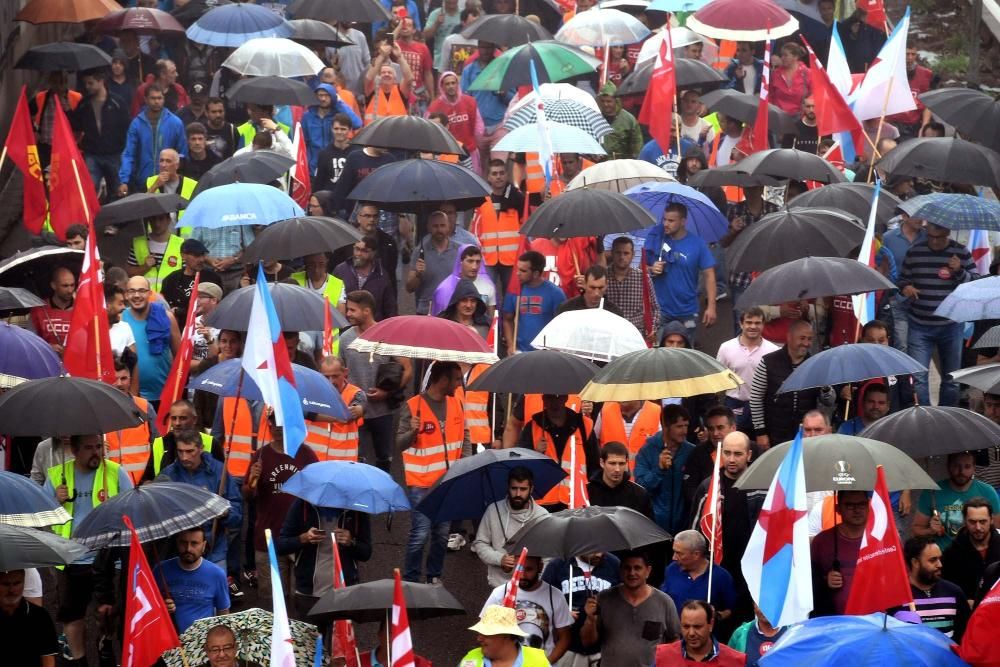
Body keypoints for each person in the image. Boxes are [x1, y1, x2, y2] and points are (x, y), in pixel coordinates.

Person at [44, 434, 133, 663]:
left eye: (98, 447)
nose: (96, 452)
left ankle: (105, 655)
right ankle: (79, 660)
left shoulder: (115, 472)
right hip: (70, 559)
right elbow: (42, 516)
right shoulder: (57, 475)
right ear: (74, 450)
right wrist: (56, 501)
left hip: (107, 559)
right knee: (72, 617)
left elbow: (132, 511)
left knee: (107, 614)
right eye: (88, 448)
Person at [396, 361, 468, 583]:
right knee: (420, 535)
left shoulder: (456, 403)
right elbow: (399, 444)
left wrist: (466, 466)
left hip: (447, 483)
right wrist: (412, 432)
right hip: (422, 483)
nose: (459, 384)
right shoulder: (413, 406)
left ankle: (434, 577)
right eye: (456, 379)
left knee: (441, 535)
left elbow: (465, 436)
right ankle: (410, 580)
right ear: (443, 379)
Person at [897, 223, 978, 406]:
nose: (934, 241)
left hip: (951, 325)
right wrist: (906, 287)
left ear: (948, 233)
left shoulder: (961, 252)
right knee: (918, 379)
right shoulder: (914, 252)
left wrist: (959, 271)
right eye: (931, 237)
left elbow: (975, 282)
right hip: (919, 324)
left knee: (951, 380)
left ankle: (946, 416)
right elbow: (902, 280)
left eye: (939, 238)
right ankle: (925, 417)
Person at [243, 413, 319, 605]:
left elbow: (318, 492)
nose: (277, 427)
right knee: (271, 606)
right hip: (268, 541)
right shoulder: (260, 456)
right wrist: (253, 480)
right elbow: (247, 496)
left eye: (282, 423)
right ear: (268, 424)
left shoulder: (306, 455)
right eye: (273, 422)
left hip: (300, 540)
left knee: (300, 603)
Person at [691, 431, 765, 625]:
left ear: (749, 455)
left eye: (738, 454)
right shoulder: (709, 487)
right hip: (717, 568)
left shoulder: (762, 486)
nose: (731, 459)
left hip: (751, 570)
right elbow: (694, 530)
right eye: (727, 453)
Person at [340, 290, 412, 473]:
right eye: (348, 310)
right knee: (358, 460)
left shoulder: (389, 336)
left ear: (366, 311)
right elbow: (340, 372)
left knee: (384, 458)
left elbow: (408, 370)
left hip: (383, 412)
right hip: (356, 411)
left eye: (352, 310)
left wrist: (388, 392)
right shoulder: (345, 339)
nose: (347, 314)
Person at [277, 495, 372, 620]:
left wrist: (351, 543)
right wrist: (303, 538)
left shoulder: (357, 510)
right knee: (309, 639)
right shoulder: (303, 505)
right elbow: (281, 546)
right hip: (308, 593)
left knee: (339, 639)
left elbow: (366, 553)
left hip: (343, 594)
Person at [580, 551, 680, 666]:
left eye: (637, 568)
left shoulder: (664, 602)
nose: (632, 573)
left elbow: (675, 640)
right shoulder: (604, 599)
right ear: (620, 571)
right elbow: (587, 642)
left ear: (648, 571)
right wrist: (590, 619)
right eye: (627, 568)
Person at [161, 428, 242, 568]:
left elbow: (237, 513)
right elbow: (158, 512)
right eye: (180, 451)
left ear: (201, 449)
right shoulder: (168, 475)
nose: (184, 457)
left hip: (214, 552)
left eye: (190, 451)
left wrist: (225, 512)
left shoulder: (219, 472)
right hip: (178, 553)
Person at [750, 320, 834, 449]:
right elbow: (755, 398)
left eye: (810, 339)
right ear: (789, 337)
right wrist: (760, 432)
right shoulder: (768, 362)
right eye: (802, 338)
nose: (806, 343)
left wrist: (826, 390)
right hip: (774, 435)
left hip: (806, 437)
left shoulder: (815, 365)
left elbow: (828, 402)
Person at [644, 203, 716, 345]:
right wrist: (652, 269)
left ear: (683, 221)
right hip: (660, 310)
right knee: (658, 353)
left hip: (687, 310)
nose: (665, 224)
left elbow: (710, 274)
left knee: (687, 354)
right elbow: (641, 269)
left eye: (671, 221)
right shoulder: (656, 239)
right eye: (664, 219)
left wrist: (712, 307)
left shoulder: (698, 243)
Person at [481, 554, 573, 663]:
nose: (523, 575)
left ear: (540, 567)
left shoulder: (555, 596)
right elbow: (484, 633)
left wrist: (546, 663)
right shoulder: (500, 594)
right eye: (518, 568)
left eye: (529, 569)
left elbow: (565, 637)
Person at [516, 394, 597, 511]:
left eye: (558, 397)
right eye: (550, 398)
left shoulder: (584, 425)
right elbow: (521, 464)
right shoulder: (533, 426)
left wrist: (589, 493)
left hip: (576, 499)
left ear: (566, 398)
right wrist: (535, 452)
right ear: (543, 399)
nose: (554, 402)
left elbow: (594, 465)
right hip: (543, 502)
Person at [472, 467, 550, 588]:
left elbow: (548, 555)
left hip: (531, 586)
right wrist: (499, 559)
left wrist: (540, 582)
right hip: (498, 586)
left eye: (523, 489)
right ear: (508, 487)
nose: (518, 494)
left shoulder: (542, 516)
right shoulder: (493, 510)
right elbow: (480, 543)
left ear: (531, 489)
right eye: (514, 488)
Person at [913, 451, 1000, 551]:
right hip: (943, 559)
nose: (961, 471)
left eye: (967, 466)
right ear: (948, 466)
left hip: (977, 555)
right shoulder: (932, 492)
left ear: (974, 468)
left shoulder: (987, 492)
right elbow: (916, 531)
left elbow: (997, 528)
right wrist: (930, 531)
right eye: (956, 466)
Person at [887, 536, 970, 640]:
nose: (939, 564)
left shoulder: (954, 592)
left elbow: (967, 634)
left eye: (940, 558)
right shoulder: (896, 596)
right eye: (933, 560)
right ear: (915, 562)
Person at [154, 526, 230, 634]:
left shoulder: (216, 574)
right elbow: (147, 607)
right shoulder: (160, 570)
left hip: (202, 643)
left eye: (194, 543)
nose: (188, 549)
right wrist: (161, 606)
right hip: (167, 640)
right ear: (177, 543)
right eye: (183, 543)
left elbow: (223, 613)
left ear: (203, 546)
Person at [635, 405, 696, 534]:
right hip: (654, 528)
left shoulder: (692, 451)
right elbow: (640, 488)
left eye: (686, 425)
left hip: (684, 529)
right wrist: (659, 470)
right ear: (665, 426)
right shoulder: (647, 451)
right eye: (679, 426)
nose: (685, 431)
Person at [716, 307, 778, 431]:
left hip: (762, 406)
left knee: (761, 445)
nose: (753, 326)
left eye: (757, 323)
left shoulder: (774, 350)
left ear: (763, 324)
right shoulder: (726, 348)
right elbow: (717, 379)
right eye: (749, 322)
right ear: (741, 324)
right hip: (734, 404)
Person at [73, 69, 130, 200]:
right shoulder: (84, 104)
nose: (87, 87)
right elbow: (75, 124)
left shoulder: (117, 103)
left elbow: (127, 127)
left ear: (100, 81)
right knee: (89, 189)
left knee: (117, 191)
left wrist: (124, 150)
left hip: (114, 153)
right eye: (85, 83)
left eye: (90, 83)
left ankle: (117, 218)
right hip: (92, 154)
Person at [118, 84, 186, 195]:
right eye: (153, 98)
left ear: (164, 99)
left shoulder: (175, 122)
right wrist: (124, 180)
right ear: (145, 99)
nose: (157, 101)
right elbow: (129, 153)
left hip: (168, 180)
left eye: (159, 98)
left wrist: (175, 173)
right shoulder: (136, 124)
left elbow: (182, 153)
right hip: (143, 180)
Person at [811, 489, 869, 616]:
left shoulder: (882, 538)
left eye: (861, 504)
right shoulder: (821, 541)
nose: (857, 510)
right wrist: (825, 581)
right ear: (838, 509)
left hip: (877, 620)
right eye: (850, 505)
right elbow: (808, 582)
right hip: (832, 620)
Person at [123, 275, 181, 403]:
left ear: (150, 293)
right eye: (132, 291)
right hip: (130, 397)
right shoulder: (120, 319)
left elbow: (180, 357)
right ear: (126, 295)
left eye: (142, 291)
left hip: (163, 396)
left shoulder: (167, 318)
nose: (137, 295)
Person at [660, 531, 736, 625]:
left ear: (696, 554)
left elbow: (731, 610)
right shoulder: (671, 570)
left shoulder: (721, 577)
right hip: (675, 636)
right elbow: (663, 601)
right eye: (674, 552)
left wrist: (717, 615)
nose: (674, 557)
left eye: (679, 553)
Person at [461, 41, 514, 173]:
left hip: (500, 125)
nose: (485, 51)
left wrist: (504, 93)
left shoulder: (503, 68)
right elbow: (464, 98)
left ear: (494, 48)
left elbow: (513, 99)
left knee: (500, 166)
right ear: (478, 48)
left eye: (488, 47)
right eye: (482, 47)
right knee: (481, 169)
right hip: (478, 129)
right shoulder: (469, 70)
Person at [105, 359, 159, 483]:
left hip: (142, 483)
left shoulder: (145, 407)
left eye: (123, 378)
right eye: (115, 379)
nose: (119, 383)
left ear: (130, 380)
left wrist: (150, 478)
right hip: (110, 483)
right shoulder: (99, 410)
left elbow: (158, 446)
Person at [502, 250, 567, 354]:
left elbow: (562, 325)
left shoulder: (556, 294)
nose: (518, 274)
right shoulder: (514, 290)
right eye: (517, 269)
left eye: (523, 271)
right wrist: (510, 345)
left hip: (546, 353)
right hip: (519, 351)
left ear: (536, 273)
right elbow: (507, 319)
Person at [143, 399, 219, 481]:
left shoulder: (211, 442)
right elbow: (148, 478)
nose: (177, 423)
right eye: (174, 418)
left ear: (194, 420)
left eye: (183, 418)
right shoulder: (159, 444)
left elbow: (221, 478)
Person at [942, 498, 1000, 604]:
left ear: (991, 519)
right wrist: (963, 602)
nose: (978, 527)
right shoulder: (952, 553)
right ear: (964, 520)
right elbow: (946, 588)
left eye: (983, 522)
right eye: (972, 522)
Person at [655, 600, 746, 666]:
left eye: (697, 627)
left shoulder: (735, 661)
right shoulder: (662, 656)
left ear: (711, 625)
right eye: (686, 626)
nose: (691, 633)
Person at [605, 236, 660, 343]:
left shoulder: (642, 278)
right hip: (610, 335)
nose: (622, 257)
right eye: (618, 253)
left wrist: (652, 328)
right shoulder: (604, 276)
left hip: (636, 335)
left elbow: (655, 308)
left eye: (626, 253)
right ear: (612, 253)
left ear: (633, 255)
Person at [0, 569, 58, 667]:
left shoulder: (40, 616)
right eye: (5, 584)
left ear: (24, 583)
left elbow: (48, 658)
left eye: (17, 583)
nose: (11, 590)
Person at [333, 235, 398, 321]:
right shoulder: (340, 270)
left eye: (364, 251)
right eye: (357, 249)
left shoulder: (382, 276)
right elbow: (331, 299)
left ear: (373, 253)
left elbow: (390, 309)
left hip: (373, 328)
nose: (359, 254)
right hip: (346, 328)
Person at [461, 605, 550, 667]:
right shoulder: (471, 658)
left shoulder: (538, 661)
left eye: (486, 633)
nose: (479, 638)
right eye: (480, 633)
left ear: (507, 635)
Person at [301, 84, 362, 174]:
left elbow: (357, 124)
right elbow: (303, 142)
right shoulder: (308, 116)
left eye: (327, 95)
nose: (323, 99)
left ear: (333, 97)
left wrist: (339, 103)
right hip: (314, 166)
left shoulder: (338, 114)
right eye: (320, 95)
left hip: (335, 164)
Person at [426, 70, 483, 167]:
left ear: (458, 84)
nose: (451, 86)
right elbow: (429, 130)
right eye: (447, 84)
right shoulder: (434, 107)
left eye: (453, 83)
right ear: (442, 87)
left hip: (470, 151)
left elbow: (479, 127)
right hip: (448, 154)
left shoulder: (470, 102)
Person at [159, 238, 222, 322]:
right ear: (183, 255)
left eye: (203, 255)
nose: (201, 259)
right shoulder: (171, 280)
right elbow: (165, 308)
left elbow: (219, 306)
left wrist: (180, 311)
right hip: (178, 327)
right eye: (196, 255)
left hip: (204, 327)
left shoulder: (212, 278)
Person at [190, 220, 256, 293]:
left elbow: (252, 248)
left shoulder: (240, 222)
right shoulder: (202, 223)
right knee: (210, 302)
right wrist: (208, 259)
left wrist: (234, 260)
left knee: (236, 302)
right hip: (209, 273)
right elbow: (192, 247)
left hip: (236, 275)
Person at [432, 244, 496, 319]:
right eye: (470, 261)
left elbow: (492, 320)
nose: (474, 266)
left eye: (478, 262)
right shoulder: (445, 288)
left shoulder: (488, 287)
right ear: (461, 262)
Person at [127, 212, 185, 290]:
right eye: (153, 219)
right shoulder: (138, 243)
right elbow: (129, 274)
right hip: (144, 298)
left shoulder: (181, 244)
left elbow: (187, 276)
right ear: (149, 220)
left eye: (161, 219)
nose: (157, 224)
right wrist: (145, 267)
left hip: (170, 299)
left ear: (169, 220)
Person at [887, 47, 936, 138]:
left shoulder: (926, 74)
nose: (910, 57)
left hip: (912, 124)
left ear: (916, 55)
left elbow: (928, 103)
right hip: (892, 123)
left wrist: (924, 126)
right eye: (907, 54)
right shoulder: (889, 72)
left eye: (913, 54)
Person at [364, 37, 415, 124]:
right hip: (374, 134)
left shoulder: (400, 90)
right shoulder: (372, 91)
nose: (386, 74)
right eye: (383, 72)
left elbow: (409, 78)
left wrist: (399, 56)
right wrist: (382, 56)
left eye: (389, 73)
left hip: (397, 134)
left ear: (395, 79)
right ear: (379, 76)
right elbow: (369, 77)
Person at [29, 266, 75, 353]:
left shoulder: (83, 309)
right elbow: (29, 342)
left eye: (72, 285)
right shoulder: (39, 310)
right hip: (48, 363)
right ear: (53, 285)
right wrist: (47, 347)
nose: (70, 290)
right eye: (65, 286)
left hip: (76, 363)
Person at [555, 265, 625, 318]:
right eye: (592, 287)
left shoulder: (615, 313)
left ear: (606, 285)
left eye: (600, 288)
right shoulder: (566, 310)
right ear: (584, 284)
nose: (596, 293)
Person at [597, 81, 643, 160]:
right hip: (599, 165)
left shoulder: (629, 120)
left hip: (621, 165)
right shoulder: (595, 117)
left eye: (609, 101)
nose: (605, 104)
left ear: (616, 100)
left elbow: (637, 146)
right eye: (603, 101)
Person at [312, 113, 356, 193]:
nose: (339, 132)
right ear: (331, 129)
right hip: (329, 199)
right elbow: (318, 182)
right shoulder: (324, 154)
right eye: (336, 128)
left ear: (350, 130)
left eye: (343, 129)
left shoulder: (356, 153)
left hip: (350, 199)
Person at [770, 43, 811, 116]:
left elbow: (814, 95)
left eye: (785, 55)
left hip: (800, 117)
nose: (782, 58)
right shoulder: (775, 74)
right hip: (778, 117)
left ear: (795, 57)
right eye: (781, 55)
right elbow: (770, 95)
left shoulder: (807, 73)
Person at [203, 97, 239, 161]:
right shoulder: (201, 130)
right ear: (206, 113)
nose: (218, 115)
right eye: (214, 112)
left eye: (220, 111)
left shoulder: (232, 130)